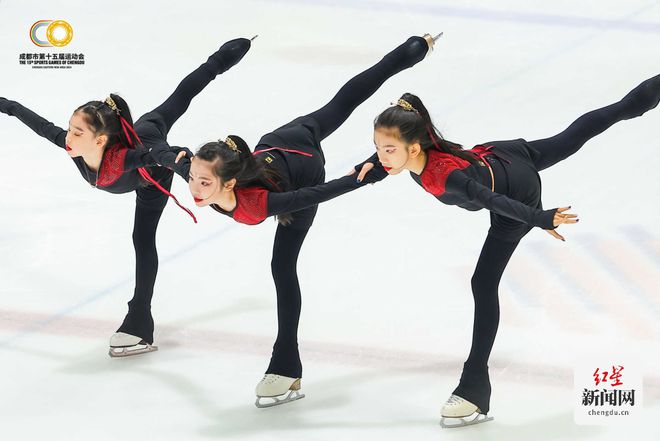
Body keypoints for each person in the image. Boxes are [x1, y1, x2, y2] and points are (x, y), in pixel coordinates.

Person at [351, 73, 660, 427]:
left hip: (516, 194)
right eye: (378, 148)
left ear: (414, 148)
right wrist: (369, 164)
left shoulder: (444, 176)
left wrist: (540, 217)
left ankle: (473, 389)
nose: (382, 156)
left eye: (388, 150)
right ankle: (646, 94)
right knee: (576, 135)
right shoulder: (413, 147)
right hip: (501, 155)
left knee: (482, 283)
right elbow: (393, 147)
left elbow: (490, 200)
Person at [154, 33, 442, 407]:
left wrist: (359, 176)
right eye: (192, 177)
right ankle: (410, 52)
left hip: (306, 171)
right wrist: (153, 151)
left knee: (282, 264)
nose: (194, 188)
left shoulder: (258, 204)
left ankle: (286, 363)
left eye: (204, 182)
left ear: (228, 183)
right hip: (281, 140)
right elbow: (163, 153)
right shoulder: (200, 175)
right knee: (344, 100)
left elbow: (310, 196)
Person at [0, 37, 253, 357]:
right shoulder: (73, 146)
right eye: (70, 127)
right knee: (174, 103)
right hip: (145, 141)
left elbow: (159, 158)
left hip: (151, 174)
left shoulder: (126, 159)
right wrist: (5, 104)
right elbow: (32, 119)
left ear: (101, 139)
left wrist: (191, 173)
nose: (68, 136)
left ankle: (139, 319)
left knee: (142, 237)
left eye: (78, 132)